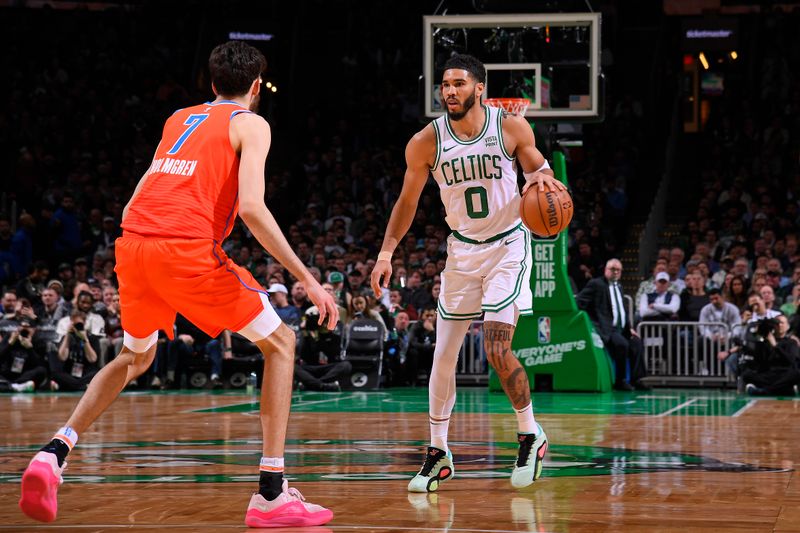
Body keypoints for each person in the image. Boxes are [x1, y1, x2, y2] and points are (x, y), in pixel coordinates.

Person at [19, 41, 338, 528]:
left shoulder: (178, 118)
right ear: (256, 87)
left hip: (133, 244)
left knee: (135, 356)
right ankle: (271, 492)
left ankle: (54, 453)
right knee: (282, 342)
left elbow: (136, 199)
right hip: (184, 249)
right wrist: (309, 280)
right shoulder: (251, 123)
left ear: (210, 85)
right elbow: (252, 208)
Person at [370, 54, 561, 492]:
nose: (449, 91)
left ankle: (531, 434)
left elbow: (536, 167)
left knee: (496, 348)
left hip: (508, 246)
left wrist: (543, 179)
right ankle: (438, 453)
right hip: (462, 252)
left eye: (458, 83)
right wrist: (386, 253)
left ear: (479, 87)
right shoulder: (425, 142)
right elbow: (407, 202)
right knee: (443, 355)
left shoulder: (509, 126)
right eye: (445, 84)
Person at [577, 259, 649, 391]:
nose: (615, 272)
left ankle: (636, 379)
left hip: (621, 329)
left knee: (637, 343)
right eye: (612, 269)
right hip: (607, 330)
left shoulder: (619, 286)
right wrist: (592, 322)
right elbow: (580, 301)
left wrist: (629, 329)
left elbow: (621, 309)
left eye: (618, 270)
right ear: (605, 270)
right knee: (622, 344)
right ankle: (620, 380)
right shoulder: (596, 284)